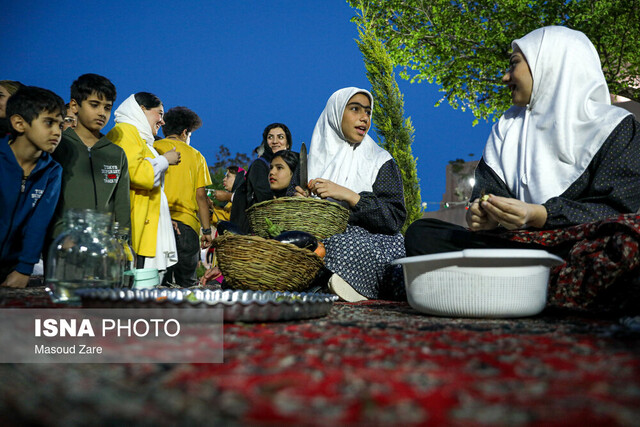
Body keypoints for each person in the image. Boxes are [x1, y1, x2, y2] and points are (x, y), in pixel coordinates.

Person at [404, 26, 640, 313]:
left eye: (514, 63)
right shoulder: (506, 129)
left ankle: (499, 288)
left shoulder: (616, 126)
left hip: (577, 247)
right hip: (518, 251)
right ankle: (545, 289)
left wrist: (540, 215)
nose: (505, 77)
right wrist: (484, 216)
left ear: (550, 63)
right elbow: (487, 197)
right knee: (422, 232)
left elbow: (621, 210)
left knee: (628, 242)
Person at [296, 87, 407, 301]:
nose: (364, 118)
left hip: (371, 243)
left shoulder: (379, 161)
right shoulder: (308, 164)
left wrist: (350, 196)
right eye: (355, 109)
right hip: (318, 240)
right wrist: (300, 204)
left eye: (368, 112)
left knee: (348, 245)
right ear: (335, 114)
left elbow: (394, 219)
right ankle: (336, 284)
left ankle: (341, 284)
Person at [49, 73, 131, 242]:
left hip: (104, 249)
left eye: (107, 108)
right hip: (63, 245)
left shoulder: (116, 153)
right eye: (94, 105)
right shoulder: (57, 147)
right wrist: (58, 237)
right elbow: (48, 200)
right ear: (74, 106)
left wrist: (123, 242)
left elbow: (122, 204)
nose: (102, 113)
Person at [106, 92, 181, 275]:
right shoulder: (125, 131)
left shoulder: (140, 138)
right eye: (160, 114)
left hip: (145, 222)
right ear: (141, 110)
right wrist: (164, 160)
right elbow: (136, 173)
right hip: (134, 223)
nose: (162, 122)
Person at [0, 86, 64, 287]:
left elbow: (39, 223)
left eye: (60, 125)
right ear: (19, 123)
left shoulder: (53, 171)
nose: (56, 132)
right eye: (49, 122)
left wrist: (24, 269)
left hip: (11, 268)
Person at [154, 106, 212, 287]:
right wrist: (207, 231)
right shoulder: (196, 156)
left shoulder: (154, 147)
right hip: (187, 226)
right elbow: (201, 197)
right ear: (185, 132)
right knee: (187, 284)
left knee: (158, 283)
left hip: (158, 223)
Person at [230, 122, 293, 233]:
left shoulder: (293, 166)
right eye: (270, 137)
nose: (275, 141)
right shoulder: (259, 165)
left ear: (288, 144)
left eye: (280, 137)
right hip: (255, 230)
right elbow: (265, 199)